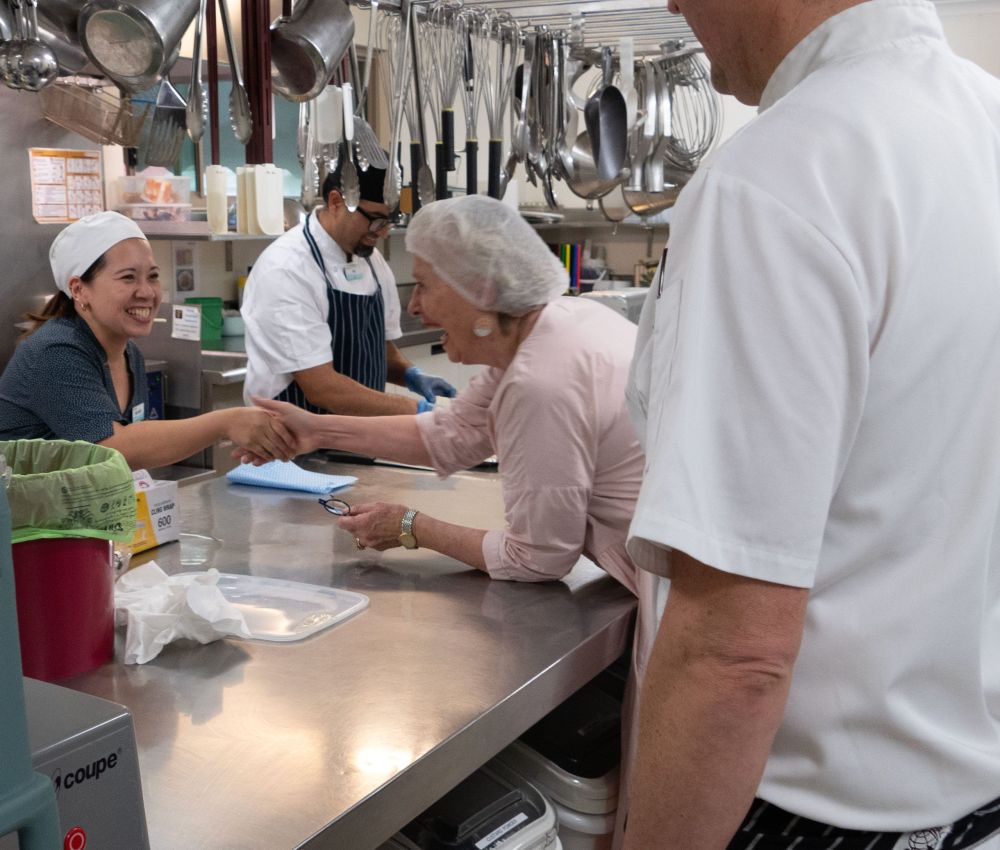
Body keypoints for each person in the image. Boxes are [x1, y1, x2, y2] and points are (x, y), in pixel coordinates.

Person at [622, 1, 1000, 848]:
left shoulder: (781, 175)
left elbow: (735, 654)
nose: (676, 6)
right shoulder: (985, 123)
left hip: (822, 821)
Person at [246, 196, 659, 839]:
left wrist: (413, 528)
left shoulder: (541, 380)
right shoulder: (557, 323)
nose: (413, 307)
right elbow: (452, 435)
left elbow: (537, 558)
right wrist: (315, 429)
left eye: (427, 287)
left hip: (673, 597)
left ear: (484, 290)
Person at [0, 211, 293, 469]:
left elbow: (133, 452)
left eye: (152, 276)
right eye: (128, 278)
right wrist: (225, 423)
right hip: (19, 524)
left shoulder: (130, 355)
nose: (147, 292)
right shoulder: (57, 352)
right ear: (79, 290)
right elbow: (115, 449)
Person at [240, 160, 455, 417]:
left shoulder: (371, 261)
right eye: (376, 221)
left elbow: (378, 351)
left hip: (357, 435)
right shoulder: (287, 270)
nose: (384, 233)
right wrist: (417, 411)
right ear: (336, 202)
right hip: (292, 442)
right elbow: (322, 388)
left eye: (389, 221)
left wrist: (410, 375)